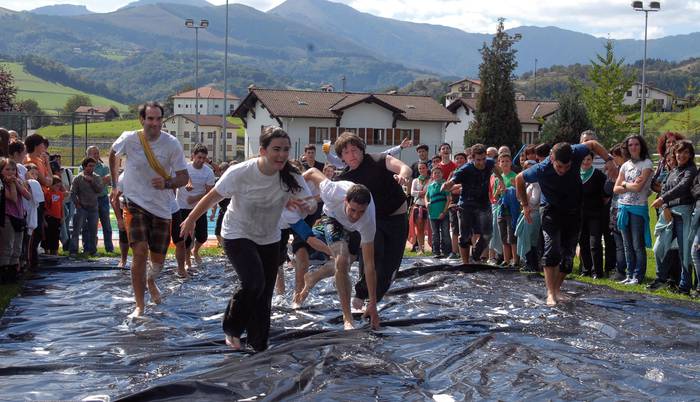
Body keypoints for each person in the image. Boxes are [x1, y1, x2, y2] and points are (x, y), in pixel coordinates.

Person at [180, 126, 311, 351]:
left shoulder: (291, 175)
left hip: (268, 236)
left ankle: (258, 344)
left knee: (265, 293)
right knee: (254, 283)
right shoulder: (241, 172)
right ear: (262, 150)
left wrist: (308, 205)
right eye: (276, 149)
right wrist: (191, 219)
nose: (281, 155)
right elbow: (213, 196)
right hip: (237, 233)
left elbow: (310, 201)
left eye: (286, 150)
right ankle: (232, 327)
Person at [109, 102, 190, 317]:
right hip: (135, 202)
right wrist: (115, 185)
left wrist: (167, 183)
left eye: (158, 119)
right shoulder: (129, 138)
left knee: (157, 263)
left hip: (162, 208)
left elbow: (184, 177)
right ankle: (139, 305)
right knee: (140, 251)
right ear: (141, 120)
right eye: (150, 118)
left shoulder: (172, 144)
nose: (154, 123)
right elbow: (112, 154)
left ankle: (150, 280)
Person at [516, 141, 615, 306]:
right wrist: (525, 205)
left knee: (568, 254)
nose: (563, 171)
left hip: (574, 209)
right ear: (552, 159)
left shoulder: (576, 152)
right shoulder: (541, 168)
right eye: (559, 167)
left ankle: (557, 289)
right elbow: (519, 178)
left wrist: (609, 159)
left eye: (567, 167)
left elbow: (592, 144)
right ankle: (550, 293)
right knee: (552, 248)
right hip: (550, 209)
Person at [334, 132, 411, 311]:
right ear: (341, 157)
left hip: (396, 217)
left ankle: (373, 301)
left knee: (390, 265)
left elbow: (403, 167)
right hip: (372, 222)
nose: (351, 155)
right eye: (346, 152)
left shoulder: (379, 159)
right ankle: (361, 293)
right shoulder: (343, 179)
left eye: (354, 150)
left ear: (362, 150)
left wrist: (403, 176)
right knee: (372, 255)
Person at [300, 167, 380, 329]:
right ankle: (347, 318)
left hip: (354, 230)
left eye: (360, 211)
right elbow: (311, 172)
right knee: (342, 261)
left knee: (346, 263)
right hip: (332, 219)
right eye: (352, 210)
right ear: (345, 201)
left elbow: (370, 266)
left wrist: (373, 302)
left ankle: (314, 277)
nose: (355, 215)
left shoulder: (368, 220)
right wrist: (292, 193)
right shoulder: (332, 191)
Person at [650, 140, 697, 294]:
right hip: (669, 214)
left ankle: (684, 286)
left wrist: (663, 200)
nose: (681, 155)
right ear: (675, 154)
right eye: (679, 152)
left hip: (684, 214)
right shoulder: (672, 171)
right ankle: (661, 279)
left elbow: (682, 187)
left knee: (684, 253)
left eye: (685, 152)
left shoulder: (691, 170)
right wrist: (664, 207)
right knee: (659, 248)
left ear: (690, 155)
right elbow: (662, 190)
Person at [442, 144, 500, 264]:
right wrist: (447, 185)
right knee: (465, 236)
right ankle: (465, 264)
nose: (481, 162)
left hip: (483, 204)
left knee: (488, 234)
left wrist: (502, 180)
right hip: (466, 205)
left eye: (483, 159)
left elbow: (494, 168)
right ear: (472, 158)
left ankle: (475, 254)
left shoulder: (488, 163)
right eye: (478, 160)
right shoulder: (465, 169)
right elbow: (452, 181)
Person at [613, 135, 654, 285]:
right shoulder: (625, 165)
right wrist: (627, 184)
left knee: (637, 244)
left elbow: (639, 188)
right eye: (630, 145)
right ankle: (629, 274)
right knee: (627, 245)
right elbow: (615, 188)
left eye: (636, 144)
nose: (633, 147)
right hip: (623, 207)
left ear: (641, 146)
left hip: (638, 209)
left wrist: (624, 183)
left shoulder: (646, 163)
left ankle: (638, 276)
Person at [173, 143, 216, 276]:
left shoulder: (208, 172)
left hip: (198, 207)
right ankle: (187, 262)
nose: (201, 160)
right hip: (182, 206)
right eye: (199, 157)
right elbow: (176, 182)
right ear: (193, 156)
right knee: (184, 237)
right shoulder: (185, 168)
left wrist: (196, 197)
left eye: (203, 158)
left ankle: (195, 250)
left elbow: (210, 193)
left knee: (203, 236)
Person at [579, 152, 608, 278]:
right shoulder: (575, 174)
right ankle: (586, 270)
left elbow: (606, 194)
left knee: (594, 242)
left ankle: (597, 271)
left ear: (593, 159)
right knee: (583, 242)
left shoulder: (598, 175)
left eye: (588, 159)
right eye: (584, 159)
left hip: (595, 213)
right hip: (579, 214)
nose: (586, 162)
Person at [70, 157, 103, 255]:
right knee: (76, 231)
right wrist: (77, 204)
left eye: (93, 166)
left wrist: (91, 181)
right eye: (90, 166)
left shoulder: (96, 177)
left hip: (93, 208)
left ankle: (91, 251)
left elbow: (99, 190)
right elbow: (72, 193)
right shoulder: (78, 178)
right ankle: (73, 251)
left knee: (93, 231)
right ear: (84, 166)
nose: (92, 168)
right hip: (82, 208)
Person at [82, 146, 113, 253]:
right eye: (94, 153)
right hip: (89, 200)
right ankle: (88, 248)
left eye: (97, 153)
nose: (96, 155)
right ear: (88, 155)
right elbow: (86, 182)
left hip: (103, 198)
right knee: (88, 226)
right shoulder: (83, 168)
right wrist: (101, 180)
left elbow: (108, 181)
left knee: (106, 224)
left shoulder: (104, 167)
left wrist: (95, 180)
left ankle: (109, 248)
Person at [0, 158, 25, 282]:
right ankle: (4, 274)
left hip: (19, 217)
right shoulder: (2, 184)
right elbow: (13, 198)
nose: (11, 172)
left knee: (17, 247)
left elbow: (28, 195)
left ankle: (14, 272)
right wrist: (11, 184)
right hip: (7, 216)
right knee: (7, 246)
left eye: (13, 169)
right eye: (7, 169)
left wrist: (17, 183)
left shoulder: (18, 180)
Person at [493, 152, 518, 267]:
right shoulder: (499, 178)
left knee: (511, 237)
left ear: (511, 162)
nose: (505, 163)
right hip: (501, 210)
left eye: (507, 161)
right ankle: (506, 260)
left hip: (511, 211)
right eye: (502, 161)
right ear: (499, 163)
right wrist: (498, 191)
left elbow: (518, 193)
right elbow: (495, 196)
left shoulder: (515, 176)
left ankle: (515, 261)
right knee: (503, 237)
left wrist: (511, 188)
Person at [425, 167, 451, 258]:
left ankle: (447, 252)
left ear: (442, 174)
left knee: (445, 233)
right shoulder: (430, 186)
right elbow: (426, 196)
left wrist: (443, 212)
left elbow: (448, 199)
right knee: (435, 233)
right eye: (435, 173)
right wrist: (426, 203)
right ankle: (436, 252)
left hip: (443, 213)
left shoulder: (445, 185)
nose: (436, 174)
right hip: (432, 214)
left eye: (438, 173)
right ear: (432, 175)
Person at [410, 162, 430, 254]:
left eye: (423, 168)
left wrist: (424, 194)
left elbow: (431, 192)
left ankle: (434, 248)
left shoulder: (431, 180)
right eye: (420, 168)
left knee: (430, 229)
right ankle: (421, 249)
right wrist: (420, 193)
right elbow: (412, 192)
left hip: (428, 207)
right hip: (418, 207)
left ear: (427, 168)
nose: (421, 170)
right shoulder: (415, 180)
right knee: (419, 229)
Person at [43, 176, 65, 255]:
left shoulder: (60, 194)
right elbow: (44, 208)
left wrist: (62, 217)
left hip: (57, 218)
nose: (58, 188)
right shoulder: (47, 193)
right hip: (49, 217)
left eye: (59, 186)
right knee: (48, 235)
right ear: (51, 185)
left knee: (56, 236)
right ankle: (47, 251)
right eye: (56, 185)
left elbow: (61, 205)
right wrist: (44, 220)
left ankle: (55, 251)